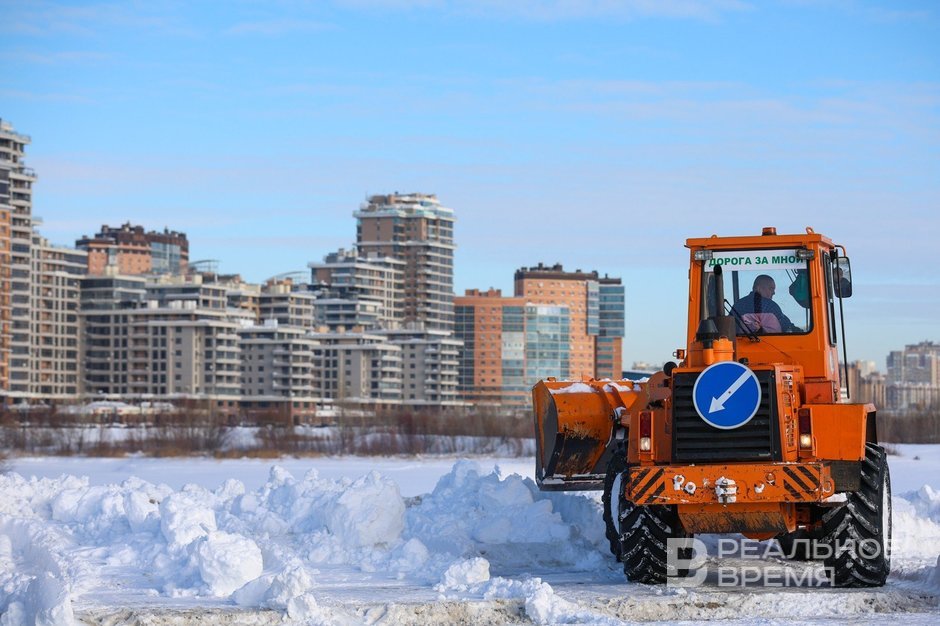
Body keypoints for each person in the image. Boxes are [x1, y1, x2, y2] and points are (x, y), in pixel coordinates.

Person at [732, 274, 799, 334]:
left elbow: (730, 327)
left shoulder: (738, 305)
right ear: (758, 288)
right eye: (771, 289)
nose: (773, 292)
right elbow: (786, 327)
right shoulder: (770, 306)